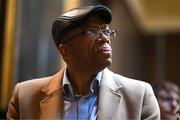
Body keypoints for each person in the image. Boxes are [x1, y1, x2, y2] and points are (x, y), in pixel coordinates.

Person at [7, 5, 160, 119]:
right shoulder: (25, 96)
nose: (105, 38)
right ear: (66, 51)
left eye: (106, 30)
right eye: (92, 31)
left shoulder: (139, 95)